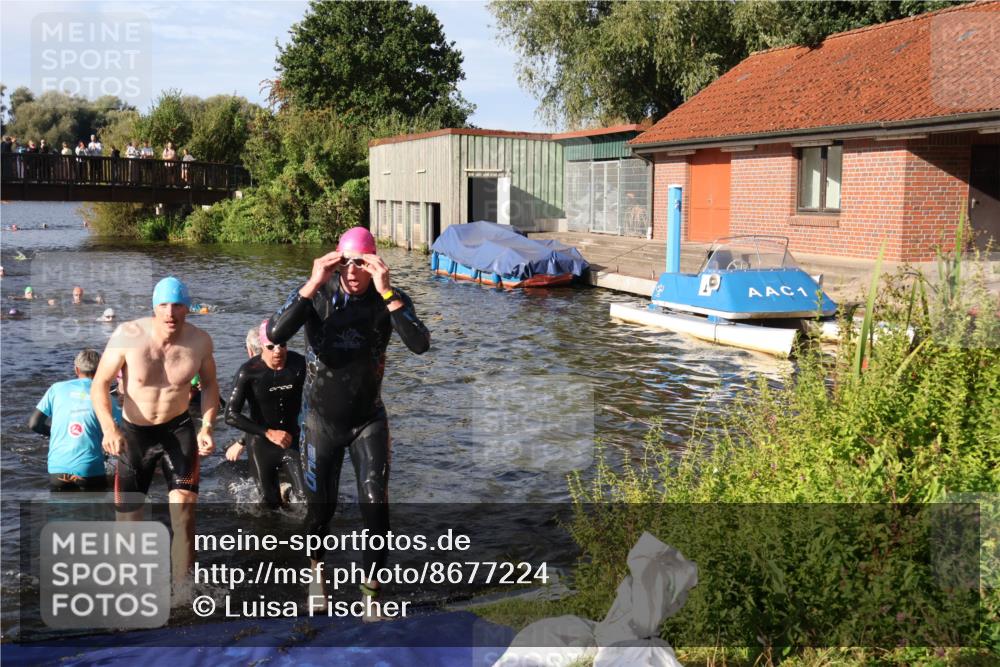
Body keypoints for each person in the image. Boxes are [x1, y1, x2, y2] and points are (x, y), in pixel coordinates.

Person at [267, 226, 430, 614]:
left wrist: (388, 291)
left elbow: (420, 344)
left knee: (376, 507)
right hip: (321, 422)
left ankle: (371, 590)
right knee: (320, 510)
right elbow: (275, 332)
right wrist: (312, 282)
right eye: (347, 262)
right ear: (336, 262)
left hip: (367, 419)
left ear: (374, 263)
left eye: (362, 262)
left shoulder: (388, 297)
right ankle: (317, 571)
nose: (354, 271)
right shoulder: (318, 294)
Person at [90, 276, 219, 588]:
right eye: (163, 305)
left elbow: (211, 385)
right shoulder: (128, 335)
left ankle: (183, 594)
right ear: (154, 308)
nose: (170, 312)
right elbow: (99, 385)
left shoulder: (200, 341)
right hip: (135, 435)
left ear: (188, 308)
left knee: (185, 516)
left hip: (178, 431)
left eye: (177, 305)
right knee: (129, 524)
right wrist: (109, 427)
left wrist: (208, 425)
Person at [224, 320, 307, 509]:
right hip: (261, 444)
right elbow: (230, 415)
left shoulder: (298, 364)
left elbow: (321, 394)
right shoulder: (249, 372)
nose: (278, 351)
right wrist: (269, 433)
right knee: (269, 505)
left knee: (306, 500)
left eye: (282, 345)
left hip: (291, 440)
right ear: (261, 347)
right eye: (271, 347)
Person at [29, 349, 122, 491]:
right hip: (90, 471)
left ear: (76, 369)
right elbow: (123, 433)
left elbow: (34, 424)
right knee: (96, 512)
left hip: (57, 469)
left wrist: (57, 433)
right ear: (101, 371)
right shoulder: (106, 398)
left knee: (61, 512)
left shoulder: (56, 389)